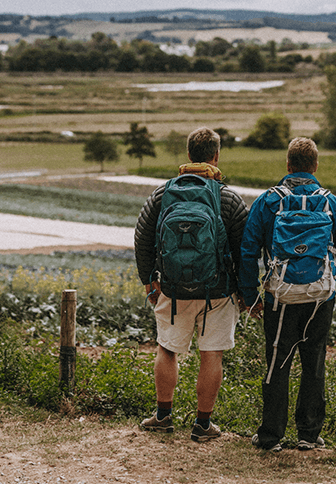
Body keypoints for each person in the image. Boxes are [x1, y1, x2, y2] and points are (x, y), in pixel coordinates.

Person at [239, 137, 336, 452]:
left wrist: (250, 295)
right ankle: (308, 435)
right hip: (320, 296)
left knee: (277, 364)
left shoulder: (268, 202)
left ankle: (271, 435)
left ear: (288, 165)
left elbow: (247, 251)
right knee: (314, 363)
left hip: (279, 297)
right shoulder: (331, 203)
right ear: (315, 166)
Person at [135, 127, 248, 442]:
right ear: (216, 156)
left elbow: (142, 240)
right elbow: (245, 250)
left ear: (188, 156)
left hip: (171, 289)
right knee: (211, 354)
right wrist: (244, 291)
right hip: (219, 291)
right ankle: (202, 424)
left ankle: (162, 416)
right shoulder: (228, 198)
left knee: (167, 348)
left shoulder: (162, 194)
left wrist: (149, 282)